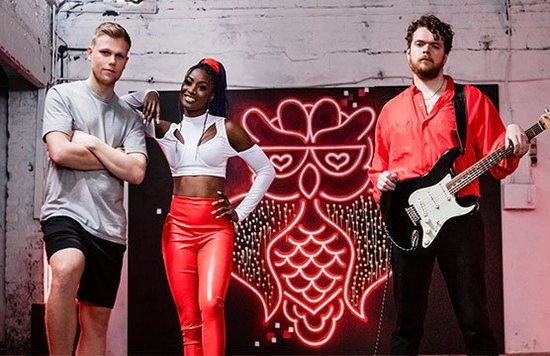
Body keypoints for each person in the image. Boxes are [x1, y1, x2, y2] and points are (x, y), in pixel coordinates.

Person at [368, 14, 530, 355]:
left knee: (474, 319)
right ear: (408, 53)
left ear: (445, 55)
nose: (427, 50)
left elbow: (499, 164)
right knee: (406, 326)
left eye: (435, 45)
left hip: (460, 222)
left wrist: (515, 139)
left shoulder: (470, 101)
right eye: (420, 44)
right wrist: (379, 181)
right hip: (408, 222)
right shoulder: (391, 111)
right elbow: (377, 169)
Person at [124, 57, 275, 355]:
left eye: (202, 86)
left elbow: (267, 171)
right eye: (188, 82)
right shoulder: (164, 131)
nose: (191, 90)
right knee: (189, 320)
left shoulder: (227, 130)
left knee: (210, 304)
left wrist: (240, 212)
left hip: (216, 230)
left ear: (212, 95)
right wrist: (148, 94)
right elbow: (121, 104)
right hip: (177, 230)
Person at [40, 22, 148, 355]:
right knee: (66, 266)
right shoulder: (62, 95)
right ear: (89, 54)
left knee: (96, 321)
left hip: (110, 227)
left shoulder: (129, 116)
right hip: (65, 211)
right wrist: (116, 156)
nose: (111, 61)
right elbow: (59, 152)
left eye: (119, 56)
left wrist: (91, 145)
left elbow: (137, 171)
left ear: (126, 61)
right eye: (104, 52)